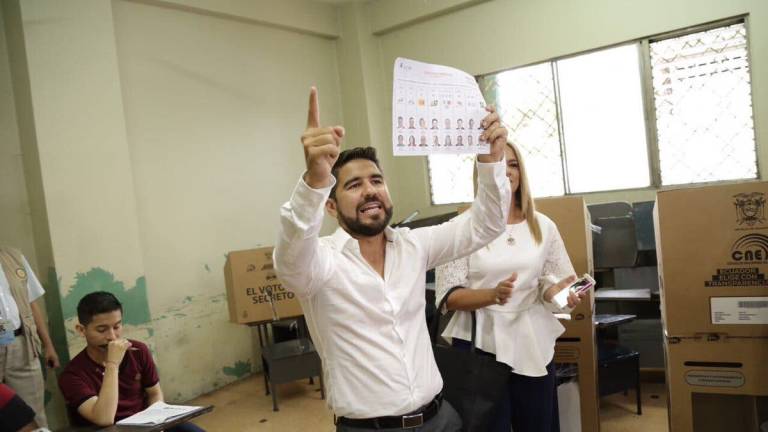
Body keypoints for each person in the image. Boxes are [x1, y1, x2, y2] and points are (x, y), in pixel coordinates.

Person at [274, 87, 511, 431]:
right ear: (330, 205)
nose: (370, 190)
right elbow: (289, 261)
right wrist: (314, 182)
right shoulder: (320, 263)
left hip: (441, 419)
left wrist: (491, 160)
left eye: (377, 180)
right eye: (353, 185)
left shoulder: (414, 246)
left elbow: (486, 224)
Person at [435, 141, 584, 432]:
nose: (507, 171)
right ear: (483, 173)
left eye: (513, 164)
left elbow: (556, 282)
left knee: (539, 424)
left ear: (521, 172)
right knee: (488, 425)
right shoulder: (462, 228)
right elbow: (448, 296)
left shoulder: (543, 226)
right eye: (498, 164)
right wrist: (492, 295)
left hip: (531, 340)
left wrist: (556, 293)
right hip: (479, 343)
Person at [58, 292, 204, 431]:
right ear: (81, 330)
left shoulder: (138, 350)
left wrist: (158, 425)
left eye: (117, 326)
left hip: (147, 423)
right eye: (102, 330)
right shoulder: (72, 375)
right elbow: (104, 418)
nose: (112, 336)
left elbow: (154, 393)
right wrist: (112, 364)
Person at [0, 246, 60, 428]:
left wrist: (47, 345)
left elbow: (31, 302)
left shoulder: (14, 257)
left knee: (33, 414)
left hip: (21, 343)